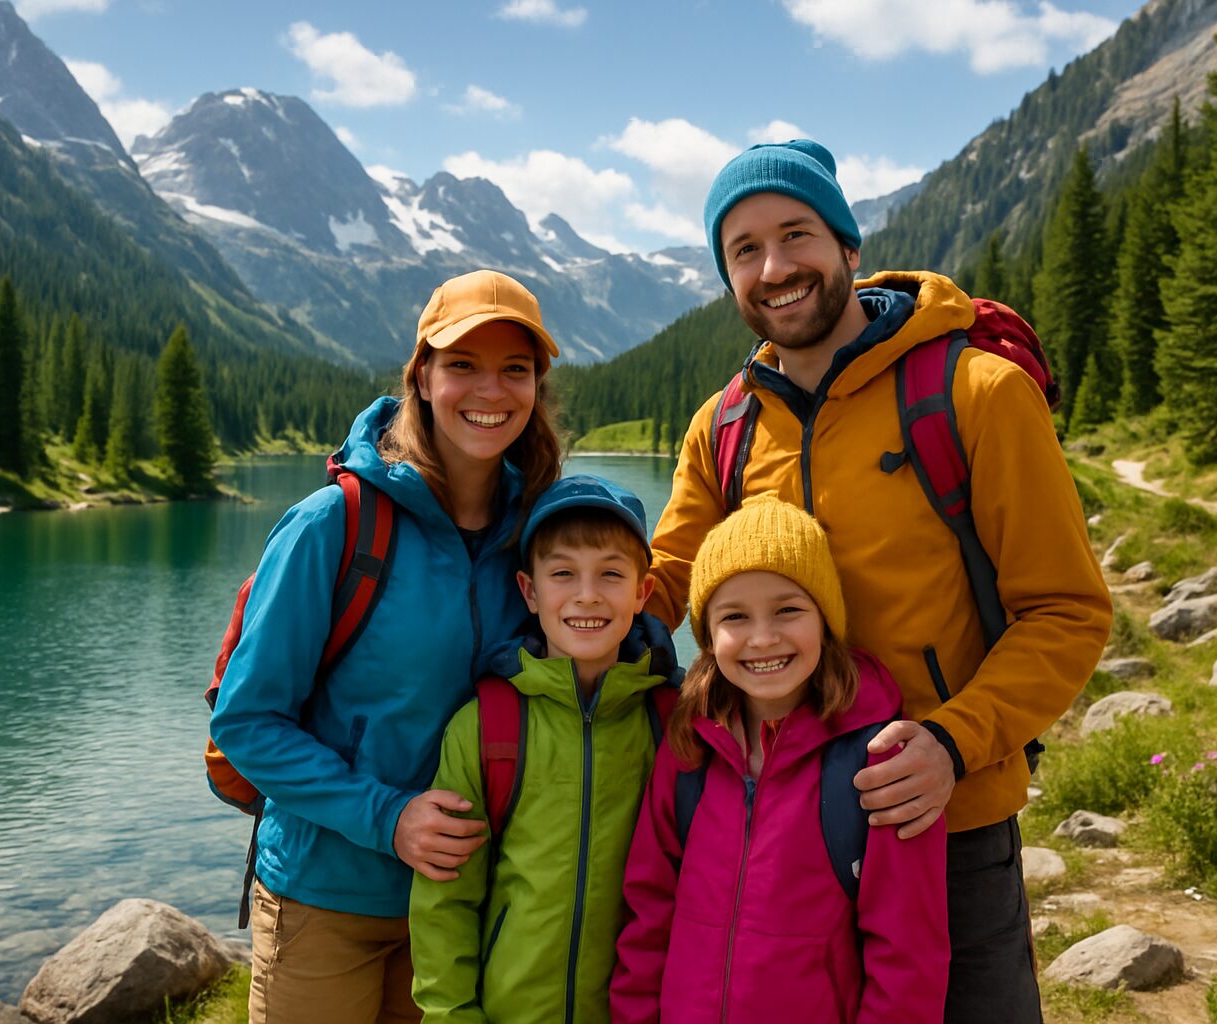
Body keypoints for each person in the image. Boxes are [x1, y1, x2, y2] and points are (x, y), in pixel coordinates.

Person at [645, 139, 1112, 1022]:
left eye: (797, 235)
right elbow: (665, 580)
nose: (775, 267)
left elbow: (1067, 611)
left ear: (850, 247)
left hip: (945, 819)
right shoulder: (727, 427)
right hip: (778, 832)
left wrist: (952, 741)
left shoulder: (976, 392)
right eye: (744, 250)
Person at [209, 269, 563, 1024]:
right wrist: (389, 817)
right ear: (421, 376)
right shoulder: (331, 525)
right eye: (462, 364)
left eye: (516, 369)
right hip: (325, 899)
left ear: (537, 387)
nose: (490, 390)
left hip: (466, 904)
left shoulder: (540, 536)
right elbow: (245, 724)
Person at [614, 495, 949, 1023]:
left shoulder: (881, 763)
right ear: (706, 635)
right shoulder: (688, 748)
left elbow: (908, 955)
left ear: (826, 618)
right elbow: (647, 916)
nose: (762, 637)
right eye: (735, 616)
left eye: (788, 609)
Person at [408, 474, 675, 1023]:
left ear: (642, 592)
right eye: (562, 574)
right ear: (529, 591)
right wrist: (452, 1014)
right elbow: (446, 903)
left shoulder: (673, 722)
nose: (586, 595)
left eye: (610, 574)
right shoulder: (485, 727)